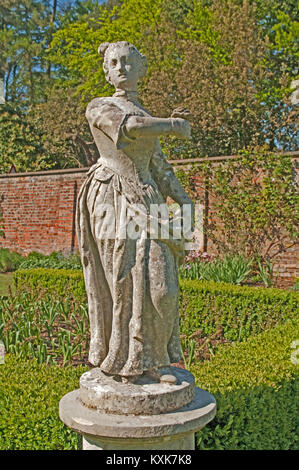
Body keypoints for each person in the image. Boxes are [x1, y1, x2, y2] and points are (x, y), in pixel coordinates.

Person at [76, 41, 193, 384]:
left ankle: (153, 358)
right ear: (106, 70)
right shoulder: (99, 106)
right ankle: (128, 364)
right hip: (111, 195)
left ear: (142, 68)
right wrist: (171, 124)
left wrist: (184, 200)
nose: (121, 68)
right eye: (114, 62)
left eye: (128, 62)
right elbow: (129, 128)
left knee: (163, 287)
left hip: (148, 199)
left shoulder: (145, 112)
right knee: (122, 283)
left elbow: (159, 166)